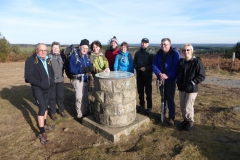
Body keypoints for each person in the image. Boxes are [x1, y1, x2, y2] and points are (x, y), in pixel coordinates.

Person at [24, 43, 55, 145]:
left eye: (45, 50)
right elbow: (28, 76)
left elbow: (51, 72)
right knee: (42, 108)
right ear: (37, 50)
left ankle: (44, 124)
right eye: (41, 50)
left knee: (46, 107)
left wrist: (52, 82)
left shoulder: (47, 59)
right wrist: (40, 83)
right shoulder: (31, 60)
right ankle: (41, 132)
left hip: (48, 88)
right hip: (38, 88)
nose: (43, 52)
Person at [152, 38, 181, 126]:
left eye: (165, 44)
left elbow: (176, 66)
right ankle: (164, 112)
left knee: (170, 98)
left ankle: (171, 117)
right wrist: (159, 73)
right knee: (163, 97)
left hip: (171, 80)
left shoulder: (175, 54)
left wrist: (168, 75)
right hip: (161, 79)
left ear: (170, 45)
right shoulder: (158, 53)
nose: (163, 46)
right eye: (162, 44)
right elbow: (154, 64)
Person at [177, 44, 205, 131]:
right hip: (182, 88)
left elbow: (201, 76)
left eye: (188, 50)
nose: (186, 52)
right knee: (182, 105)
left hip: (191, 89)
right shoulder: (181, 62)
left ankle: (190, 122)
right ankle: (185, 120)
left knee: (188, 105)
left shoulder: (197, 62)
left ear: (192, 51)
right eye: (184, 50)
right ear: (182, 52)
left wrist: (192, 82)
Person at [69, 39, 93, 119]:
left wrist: (90, 68)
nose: (85, 50)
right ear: (80, 47)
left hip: (86, 79)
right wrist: (82, 69)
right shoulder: (74, 56)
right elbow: (71, 69)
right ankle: (80, 115)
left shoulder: (87, 56)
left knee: (85, 97)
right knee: (79, 98)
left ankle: (85, 112)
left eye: (86, 48)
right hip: (78, 80)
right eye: (83, 48)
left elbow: (89, 65)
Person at [134, 38, 155, 114]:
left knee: (148, 91)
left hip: (147, 75)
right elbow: (135, 63)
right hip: (139, 74)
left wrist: (146, 68)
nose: (144, 44)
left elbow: (154, 64)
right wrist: (138, 68)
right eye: (142, 42)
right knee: (140, 91)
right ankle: (142, 105)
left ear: (148, 44)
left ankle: (149, 107)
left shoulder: (151, 52)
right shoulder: (137, 53)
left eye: (145, 43)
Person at [48, 41, 67, 121]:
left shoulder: (62, 57)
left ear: (59, 49)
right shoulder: (48, 58)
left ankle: (61, 110)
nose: (55, 49)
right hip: (51, 80)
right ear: (52, 48)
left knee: (60, 96)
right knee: (52, 97)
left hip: (60, 80)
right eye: (54, 47)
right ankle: (53, 112)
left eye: (57, 48)